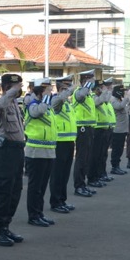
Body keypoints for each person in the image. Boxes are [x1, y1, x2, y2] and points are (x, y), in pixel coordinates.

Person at [0, 73, 26, 246]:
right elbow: (2, 103)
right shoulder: (0, 103)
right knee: (3, 192)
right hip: (6, 152)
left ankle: (5, 226)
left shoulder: (15, 104)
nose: (19, 89)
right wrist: (12, 91)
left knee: (15, 191)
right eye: (15, 86)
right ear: (5, 88)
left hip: (17, 151)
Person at [23, 78, 57, 227]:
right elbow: (36, 113)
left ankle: (39, 213)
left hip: (48, 151)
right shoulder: (32, 104)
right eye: (48, 90)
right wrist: (47, 98)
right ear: (40, 91)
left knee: (43, 186)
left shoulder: (47, 106)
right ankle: (33, 215)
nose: (51, 92)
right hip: (35, 152)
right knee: (35, 186)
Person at [49, 75, 76, 214]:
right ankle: (55, 201)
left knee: (65, 174)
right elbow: (57, 101)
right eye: (65, 88)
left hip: (69, 141)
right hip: (59, 142)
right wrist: (67, 92)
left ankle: (62, 200)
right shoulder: (56, 100)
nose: (69, 91)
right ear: (59, 89)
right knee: (57, 174)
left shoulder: (67, 103)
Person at [71, 71, 98, 197]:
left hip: (89, 128)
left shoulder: (90, 95)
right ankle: (78, 186)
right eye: (91, 80)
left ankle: (83, 184)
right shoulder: (78, 92)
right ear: (86, 81)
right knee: (81, 158)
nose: (94, 82)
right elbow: (80, 96)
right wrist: (87, 85)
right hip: (81, 128)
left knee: (87, 158)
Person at [109, 83, 130, 176]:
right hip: (117, 130)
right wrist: (126, 98)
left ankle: (117, 166)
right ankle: (114, 167)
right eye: (122, 91)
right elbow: (119, 106)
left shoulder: (119, 99)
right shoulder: (113, 100)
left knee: (120, 149)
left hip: (123, 129)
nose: (124, 93)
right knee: (116, 149)